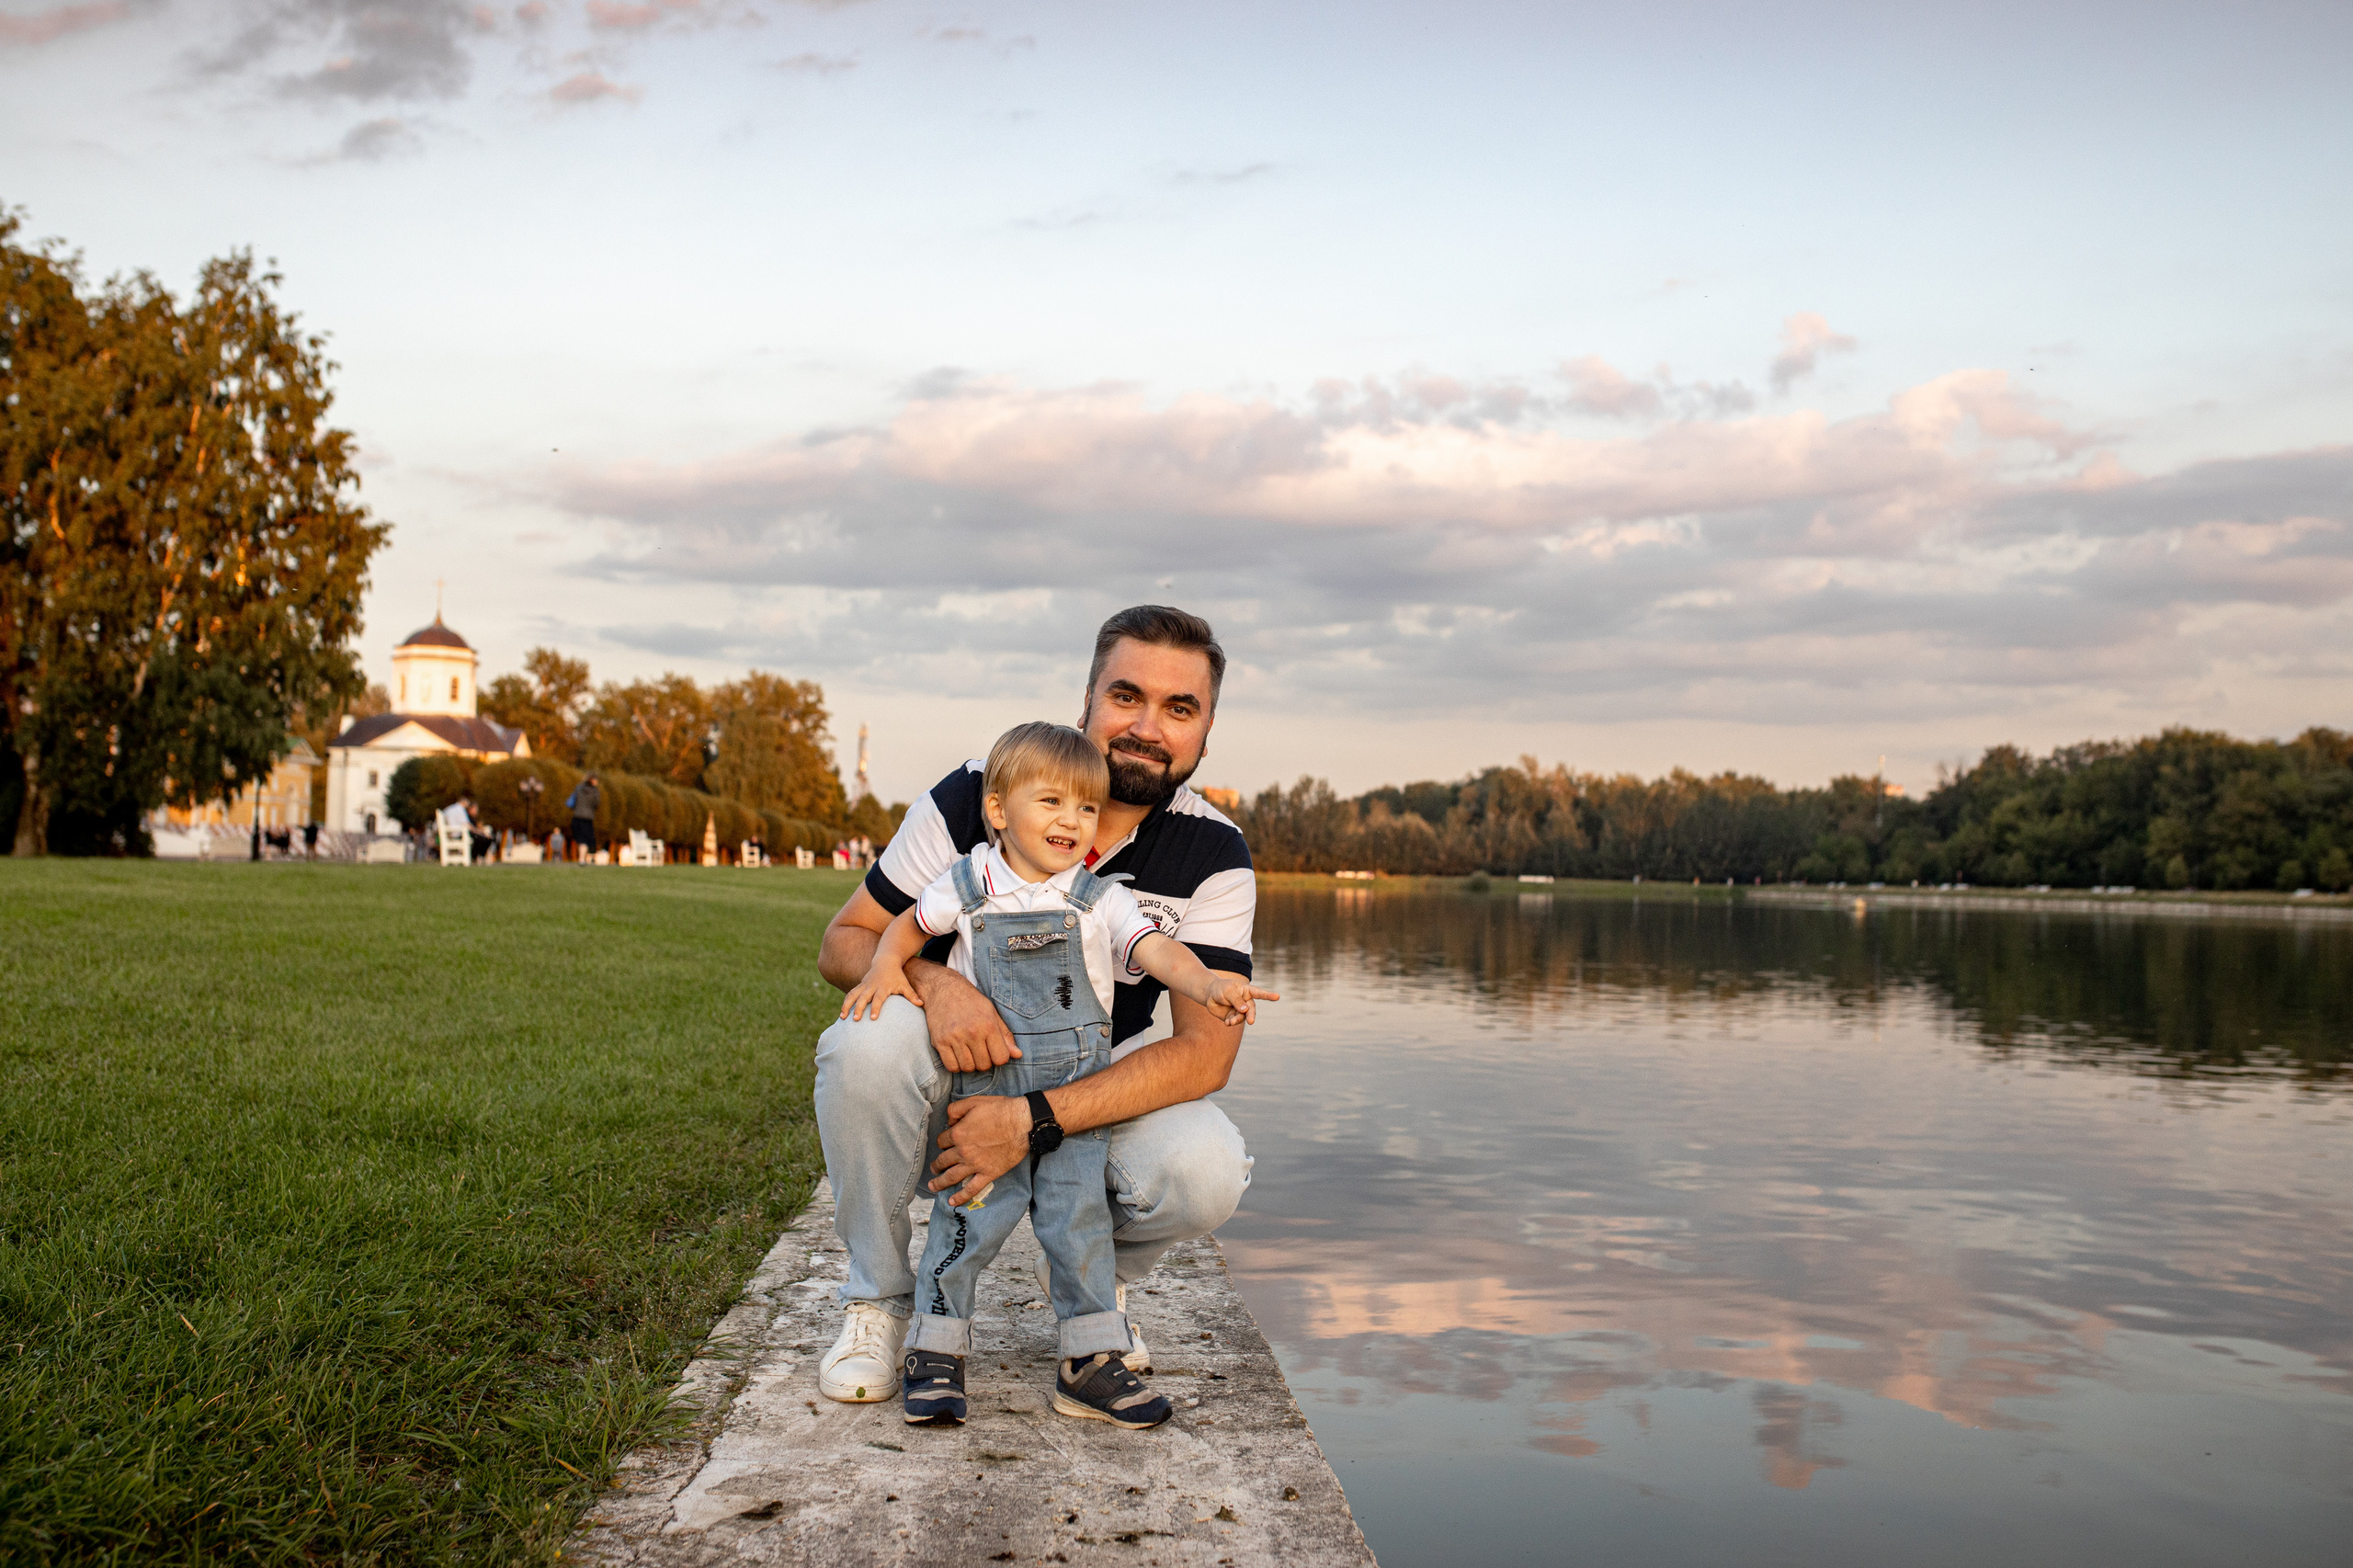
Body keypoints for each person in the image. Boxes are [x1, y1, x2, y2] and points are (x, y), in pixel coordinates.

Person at [812, 606, 1257, 1405]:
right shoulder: (982, 792)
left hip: (1075, 1082)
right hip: (961, 1080)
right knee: (863, 1049)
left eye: (1179, 708)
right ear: (1086, 699)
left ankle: (1096, 1310)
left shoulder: (1214, 852)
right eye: (1127, 696)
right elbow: (847, 941)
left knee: (1206, 1165)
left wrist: (1032, 1120)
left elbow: (1206, 1054)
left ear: (1207, 729)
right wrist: (940, 987)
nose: (1147, 727)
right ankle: (878, 1300)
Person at [566, 775, 601, 862]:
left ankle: (581, 857)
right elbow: (597, 803)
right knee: (585, 839)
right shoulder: (594, 791)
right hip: (587, 817)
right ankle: (582, 858)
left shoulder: (578, 788)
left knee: (580, 838)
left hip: (577, 815)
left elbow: (573, 801)